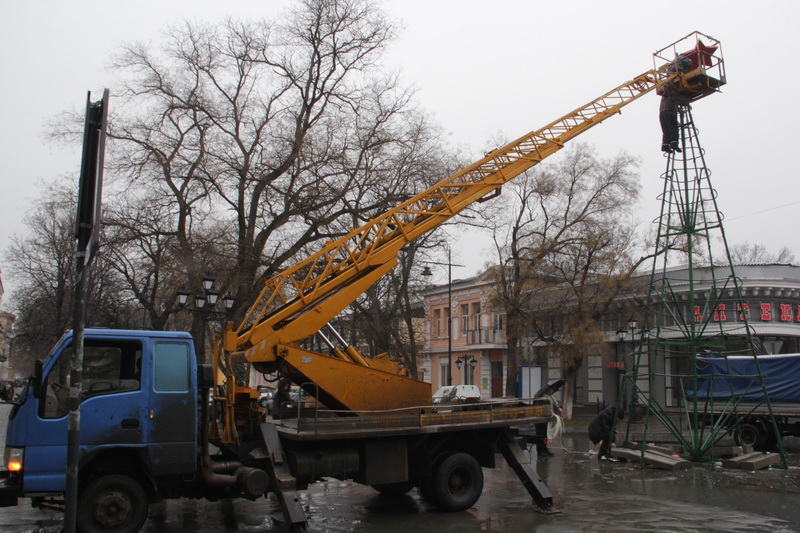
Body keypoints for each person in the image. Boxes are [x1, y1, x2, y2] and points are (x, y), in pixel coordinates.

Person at [659, 54, 691, 154]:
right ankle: (674, 144)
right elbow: (677, 100)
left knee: (666, 130)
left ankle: (665, 146)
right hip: (669, 112)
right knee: (674, 128)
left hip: (662, 113)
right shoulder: (672, 94)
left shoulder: (664, 96)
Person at [536, 386, 563, 457]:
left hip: (546, 418)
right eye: (552, 389)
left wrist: (558, 408)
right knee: (540, 435)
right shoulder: (543, 397)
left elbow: (555, 402)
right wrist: (552, 413)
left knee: (545, 434)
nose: (553, 390)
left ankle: (545, 450)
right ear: (548, 389)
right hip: (540, 418)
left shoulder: (550, 396)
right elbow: (545, 406)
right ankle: (540, 451)